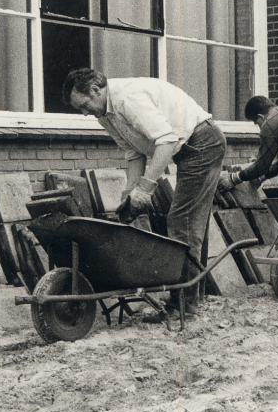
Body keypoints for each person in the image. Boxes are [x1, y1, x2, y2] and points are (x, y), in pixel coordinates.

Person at [63, 69, 225, 321]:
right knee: (189, 222)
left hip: (202, 143)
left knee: (182, 221)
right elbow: (133, 153)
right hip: (185, 147)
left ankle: (184, 306)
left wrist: (146, 188)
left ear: (96, 89)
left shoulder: (128, 98)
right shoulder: (105, 114)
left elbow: (166, 141)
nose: (85, 113)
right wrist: (130, 191)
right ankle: (192, 296)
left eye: (85, 105)